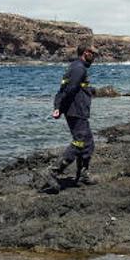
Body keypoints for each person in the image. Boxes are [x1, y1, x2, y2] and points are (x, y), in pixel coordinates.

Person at [47, 43, 98, 191]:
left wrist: (90, 90)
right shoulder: (78, 68)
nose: (94, 57)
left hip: (78, 110)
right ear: (86, 53)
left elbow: (71, 87)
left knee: (88, 143)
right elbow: (68, 90)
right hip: (76, 111)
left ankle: (83, 175)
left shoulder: (76, 67)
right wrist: (59, 108)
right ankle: (53, 171)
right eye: (93, 53)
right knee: (80, 142)